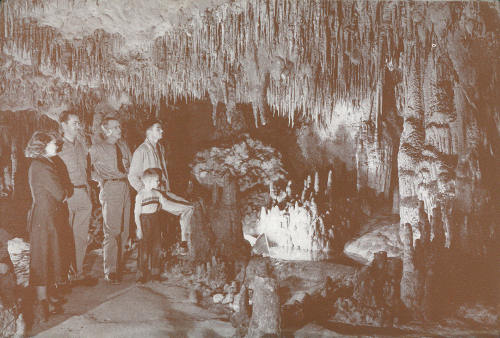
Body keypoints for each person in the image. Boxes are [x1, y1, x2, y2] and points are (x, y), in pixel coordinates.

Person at [128, 119, 193, 255]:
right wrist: (145, 193)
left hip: (163, 193)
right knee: (187, 208)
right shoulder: (141, 151)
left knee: (188, 208)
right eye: (158, 128)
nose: (162, 131)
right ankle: (183, 244)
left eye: (161, 128)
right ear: (149, 131)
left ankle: (181, 244)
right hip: (153, 197)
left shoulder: (159, 148)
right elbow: (132, 176)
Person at [25, 131, 70, 321]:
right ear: (42, 146)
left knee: (48, 256)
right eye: (53, 144)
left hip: (47, 217)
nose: (56, 146)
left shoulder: (44, 163)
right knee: (43, 259)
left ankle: (47, 300)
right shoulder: (42, 166)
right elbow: (61, 193)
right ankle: (43, 303)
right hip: (45, 219)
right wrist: (67, 191)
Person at [89, 116, 131, 284]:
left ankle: (118, 265)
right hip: (111, 187)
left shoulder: (123, 146)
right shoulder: (97, 149)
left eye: (119, 126)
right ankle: (110, 270)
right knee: (112, 230)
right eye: (115, 127)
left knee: (124, 230)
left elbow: (131, 165)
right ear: (106, 130)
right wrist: (100, 179)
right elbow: (86, 169)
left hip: (126, 187)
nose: (119, 129)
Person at [58, 111, 93, 284]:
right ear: (63, 125)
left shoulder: (81, 145)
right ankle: (63, 275)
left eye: (79, 123)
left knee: (80, 236)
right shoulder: (57, 146)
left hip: (83, 193)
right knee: (65, 236)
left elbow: (87, 169)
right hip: (67, 195)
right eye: (74, 123)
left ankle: (77, 272)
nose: (78, 126)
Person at [134, 168, 178, 283]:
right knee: (144, 249)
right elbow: (137, 213)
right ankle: (141, 274)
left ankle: (155, 272)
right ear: (148, 182)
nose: (159, 183)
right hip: (144, 221)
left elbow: (166, 204)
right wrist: (139, 228)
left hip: (155, 220)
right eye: (157, 181)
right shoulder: (140, 196)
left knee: (156, 247)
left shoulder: (157, 193)